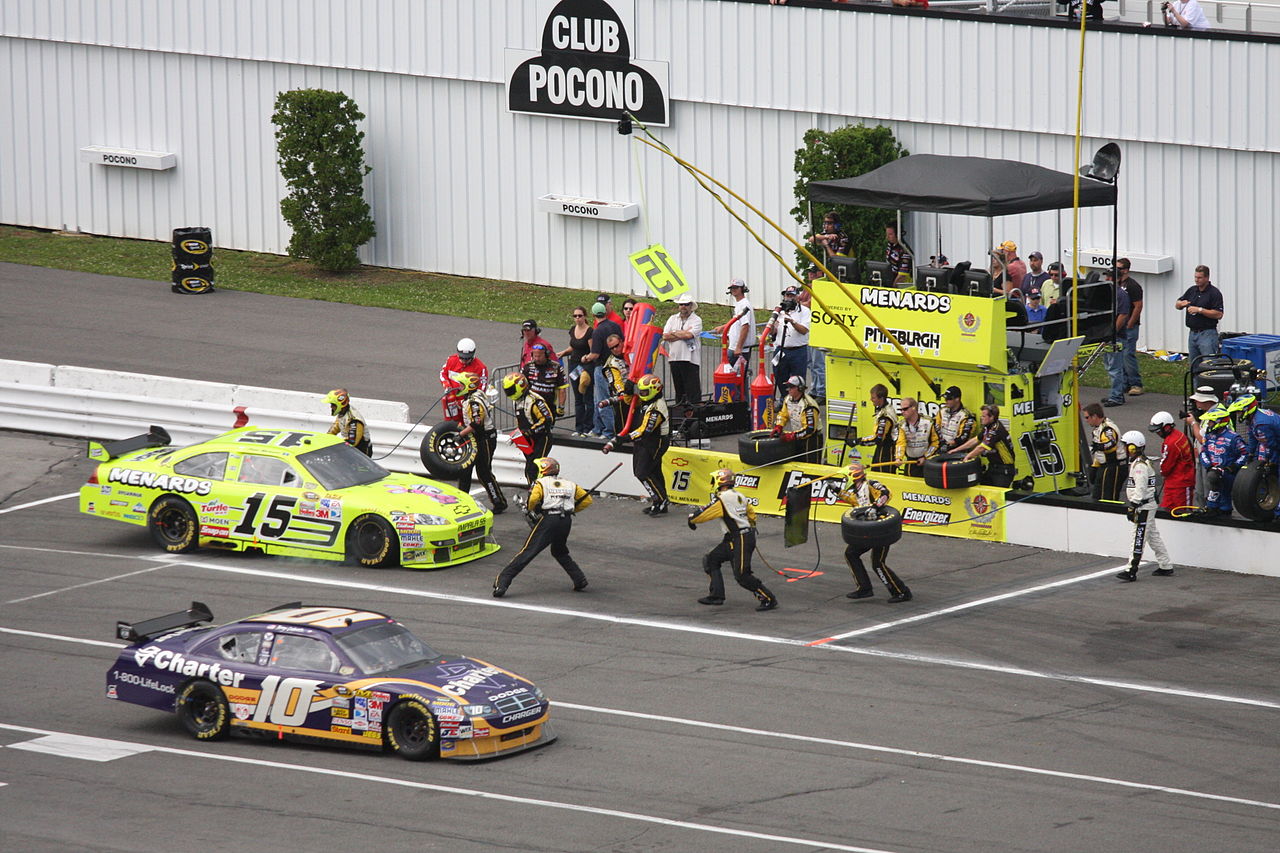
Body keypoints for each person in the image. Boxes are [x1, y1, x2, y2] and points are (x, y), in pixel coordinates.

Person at [492, 457, 590, 598]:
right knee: (559, 551)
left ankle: (502, 583)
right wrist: (572, 509)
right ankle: (579, 579)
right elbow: (587, 500)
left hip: (549, 520)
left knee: (528, 552)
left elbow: (533, 499)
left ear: (544, 470)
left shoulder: (541, 483)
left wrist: (532, 510)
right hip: (566, 521)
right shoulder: (570, 484)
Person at [687, 468, 778, 611]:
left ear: (720, 481)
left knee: (742, 575)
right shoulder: (739, 495)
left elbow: (705, 513)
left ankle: (767, 598)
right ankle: (716, 596)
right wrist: (749, 527)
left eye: (714, 480)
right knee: (711, 560)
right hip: (737, 537)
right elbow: (751, 514)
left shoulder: (722, 498)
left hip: (741, 538)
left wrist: (692, 519)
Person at [838, 462, 912, 603]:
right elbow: (855, 503)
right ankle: (864, 589)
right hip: (866, 530)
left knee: (878, 563)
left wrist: (875, 507)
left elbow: (886, 493)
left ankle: (901, 592)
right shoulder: (857, 490)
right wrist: (837, 491)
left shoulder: (871, 483)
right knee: (851, 554)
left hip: (881, 529)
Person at [604, 373, 670, 516]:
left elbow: (645, 430)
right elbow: (628, 401)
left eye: (645, 392)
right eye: (640, 391)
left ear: (655, 390)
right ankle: (660, 501)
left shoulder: (656, 408)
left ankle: (660, 499)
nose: (641, 394)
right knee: (653, 471)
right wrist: (627, 390)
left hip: (655, 441)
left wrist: (625, 438)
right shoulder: (647, 400)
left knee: (642, 472)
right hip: (644, 441)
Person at [1115, 431, 1175, 582]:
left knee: (1138, 537)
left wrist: (1133, 505)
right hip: (1147, 505)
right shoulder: (1141, 462)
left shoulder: (1139, 466)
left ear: (1133, 448)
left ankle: (1131, 569)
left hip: (1143, 507)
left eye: (1127, 446)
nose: (1125, 448)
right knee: (1152, 536)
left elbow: (1140, 488)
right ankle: (1166, 565)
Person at [453, 373, 506, 514]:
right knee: (465, 469)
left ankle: (499, 502)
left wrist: (460, 434)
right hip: (477, 438)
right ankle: (462, 501)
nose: (458, 387)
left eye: (461, 385)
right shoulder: (475, 395)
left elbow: (477, 424)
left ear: (468, 386)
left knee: (483, 472)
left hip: (485, 438)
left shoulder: (473, 402)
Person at [1228, 394, 1280, 525]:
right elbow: (1252, 437)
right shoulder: (1254, 419)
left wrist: (1272, 461)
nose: (1238, 414)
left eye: (1240, 411)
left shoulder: (1261, 423)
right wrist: (1250, 455)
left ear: (1247, 409)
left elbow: (1272, 445)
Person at [502, 372, 554, 484]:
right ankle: (534, 493)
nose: (508, 393)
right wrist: (519, 435)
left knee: (534, 468)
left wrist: (530, 432)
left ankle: (540, 493)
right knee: (529, 469)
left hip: (541, 438)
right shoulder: (517, 400)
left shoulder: (535, 401)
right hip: (527, 440)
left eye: (510, 390)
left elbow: (547, 420)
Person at [1197, 406, 1247, 517]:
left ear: (1218, 422)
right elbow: (1203, 452)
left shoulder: (1234, 438)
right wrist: (1209, 466)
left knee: (1224, 500)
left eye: (1211, 421)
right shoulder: (1209, 436)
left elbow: (1245, 454)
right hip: (1213, 472)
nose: (1209, 424)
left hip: (1228, 473)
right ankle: (1211, 508)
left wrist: (1233, 467)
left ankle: (1225, 511)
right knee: (1212, 484)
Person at [583, 302, 623, 438]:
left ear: (593, 315)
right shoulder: (615, 326)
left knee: (602, 399)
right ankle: (597, 428)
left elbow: (595, 354)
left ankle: (608, 431)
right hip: (616, 365)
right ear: (605, 313)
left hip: (601, 368)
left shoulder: (597, 331)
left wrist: (585, 358)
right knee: (600, 399)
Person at [766, 285, 811, 397]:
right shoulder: (779, 311)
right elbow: (773, 332)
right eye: (787, 295)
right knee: (779, 375)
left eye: (792, 296)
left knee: (798, 380)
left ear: (797, 297)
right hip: (781, 349)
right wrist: (772, 327)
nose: (789, 298)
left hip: (798, 351)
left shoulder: (804, 311)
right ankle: (784, 400)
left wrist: (792, 321)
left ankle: (798, 401)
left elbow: (804, 330)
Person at [955, 404, 1017, 487]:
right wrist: (956, 450)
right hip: (992, 467)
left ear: (992, 417)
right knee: (983, 488)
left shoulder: (996, 430)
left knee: (996, 497)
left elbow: (981, 447)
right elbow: (975, 440)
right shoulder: (987, 427)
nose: (981, 418)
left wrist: (967, 457)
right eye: (981, 416)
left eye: (984, 416)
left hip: (1004, 469)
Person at [1174, 265, 1224, 365]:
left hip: (1207, 334)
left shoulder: (1214, 293)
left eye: (1200, 277)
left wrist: (1200, 310)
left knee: (1209, 365)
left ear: (1207, 278)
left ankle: (1209, 381)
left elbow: (1219, 314)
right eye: (1195, 277)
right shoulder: (1192, 290)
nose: (1197, 280)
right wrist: (1180, 304)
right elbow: (1178, 304)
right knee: (1194, 366)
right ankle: (1195, 381)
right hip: (1192, 334)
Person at [1150, 411, 1196, 513]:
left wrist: (1162, 471)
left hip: (1180, 486)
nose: (1157, 434)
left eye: (1158, 431)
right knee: (1168, 512)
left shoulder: (1171, 443)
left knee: (1183, 514)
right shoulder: (1179, 435)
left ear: (1166, 428)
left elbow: (1165, 468)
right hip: (1175, 484)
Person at [661, 293, 702, 406]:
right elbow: (665, 336)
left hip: (690, 360)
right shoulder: (672, 318)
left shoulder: (696, 319)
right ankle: (680, 413)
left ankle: (695, 416)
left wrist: (674, 333)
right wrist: (682, 333)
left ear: (690, 306)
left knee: (692, 392)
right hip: (674, 358)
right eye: (681, 304)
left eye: (686, 304)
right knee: (679, 391)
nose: (683, 306)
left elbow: (689, 335)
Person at [771, 375, 823, 462]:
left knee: (810, 467)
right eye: (788, 387)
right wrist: (778, 426)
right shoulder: (788, 399)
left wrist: (792, 436)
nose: (789, 389)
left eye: (791, 387)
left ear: (800, 388)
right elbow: (783, 414)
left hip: (812, 440)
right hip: (797, 436)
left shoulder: (808, 406)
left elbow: (810, 429)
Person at [561, 306, 594, 436]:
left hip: (585, 366)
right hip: (574, 365)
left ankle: (588, 427)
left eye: (580, 316)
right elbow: (572, 346)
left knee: (587, 396)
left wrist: (586, 359)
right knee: (578, 398)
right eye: (575, 316)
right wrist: (563, 352)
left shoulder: (590, 331)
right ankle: (579, 427)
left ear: (585, 316)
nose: (577, 318)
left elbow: (592, 350)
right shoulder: (573, 330)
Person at [1083, 402, 1127, 501]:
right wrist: (1094, 467)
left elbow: (1111, 444)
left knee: (1108, 498)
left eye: (1087, 417)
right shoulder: (1098, 429)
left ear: (1094, 416)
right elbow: (1098, 451)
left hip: (1114, 466)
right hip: (1105, 466)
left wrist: (1099, 446)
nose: (1086, 420)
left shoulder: (1108, 429)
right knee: (1097, 496)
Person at [712, 278, 756, 379]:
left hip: (738, 350)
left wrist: (739, 347)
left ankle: (739, 395)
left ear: (742, 289)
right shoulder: (740, 304)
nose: (733, 290)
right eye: (732, 288)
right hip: (736, 348)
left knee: (733, 379)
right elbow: (736, 321)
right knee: (737, 379)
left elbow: (745, 326)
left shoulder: (744, 304)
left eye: (736, 287)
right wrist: (724, 327)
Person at [439, 337, 488, 424]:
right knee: (449, 424)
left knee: (469, 427)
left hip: (469, 406)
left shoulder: (481, 368)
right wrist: (447, 385)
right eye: (462, 358)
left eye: (467, 358)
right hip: (451, 401)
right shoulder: (451, 360)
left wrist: (463, 402)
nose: (464, 361)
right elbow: (443, 374)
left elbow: (481, 391)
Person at [1102, 274, 1134, 407]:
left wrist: (1112, 333)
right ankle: (1116, 392)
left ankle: (1116, 397)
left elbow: (1123, 315)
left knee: (1115, 368)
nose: (1107, 279)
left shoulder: (1121, 295)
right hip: (1106, 336)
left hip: (1117, 337)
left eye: (1110, 277)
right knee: (1109, 366)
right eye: (1106, 277)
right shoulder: (1107, 293)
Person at [1116, 259, 1145, 396]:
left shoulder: (1133, 286)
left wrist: (1130, 323)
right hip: (1120, 326)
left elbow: (1138, 306)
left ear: (1126, 270)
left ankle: (1136, 384)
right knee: (1120, 355)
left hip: (1129, 326)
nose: (1117, 270)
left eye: (1119, 268)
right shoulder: (1116, 284)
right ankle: (1124, 383)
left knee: (1128, 354)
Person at [894, 396, 939, 477]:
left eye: (905, 409)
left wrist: (925, 457)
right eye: (901, 409)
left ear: (914, 408)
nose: (902, 412)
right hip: (910, 462)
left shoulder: (929, 422)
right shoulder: (902, 425)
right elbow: (900, 443)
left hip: (927, 462)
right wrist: (899, 458)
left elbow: (935, 442)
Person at [521, 342, 567, 419]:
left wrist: (561, 407)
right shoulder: (527, 367)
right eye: (535, 356)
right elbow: (521, 386)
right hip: (531, 405)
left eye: (539, 356)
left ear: (546, 355)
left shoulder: (556, 367)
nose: (537, 359)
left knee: (546, 428)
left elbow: (562, 389)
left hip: (549, 405)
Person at [857, 383, 898, 469]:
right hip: (882, 450)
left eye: (873, 397)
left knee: (884, 478)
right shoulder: (883, 408)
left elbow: (878, 439)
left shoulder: (885, 416)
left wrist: (858, 441)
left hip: (886, 453)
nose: (871, 399)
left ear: (881, 398)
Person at [599, 333, 630, 438]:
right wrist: (623, 392)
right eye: (612, 348)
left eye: (617, 345)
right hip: (623, 398)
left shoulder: (630, 352)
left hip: (638, 393)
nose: (615, 349)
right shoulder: (610, 364)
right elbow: (615, 383)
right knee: (623, 422)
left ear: (621, 342)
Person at [325, 388, 372, 456]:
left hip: (361, 453)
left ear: (340, 405)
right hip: (350, 450)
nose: (331, 407)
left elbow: (352, 442)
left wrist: (335, 446)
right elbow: (335, 427)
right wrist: (326, 438)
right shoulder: (343, 412)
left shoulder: (353, 420)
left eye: (333, 404)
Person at [934, 385, 976, 454]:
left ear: (957, 399)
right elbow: (935, 427)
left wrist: (949, 444)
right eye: (945, 398)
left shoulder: (966, 416)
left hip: (957, 451)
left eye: (949, 399)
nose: (946, 401)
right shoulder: (942, 411)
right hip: (940, 447)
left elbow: (964, 437)